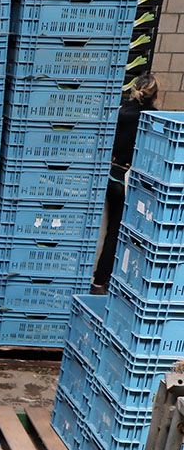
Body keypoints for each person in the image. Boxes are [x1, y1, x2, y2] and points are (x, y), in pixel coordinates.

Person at [93, 73, 159, 293]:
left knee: (101, 227)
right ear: (154, 96)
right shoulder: (153, 119)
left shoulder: (120, 111)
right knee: (116, 230)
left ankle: (91, 274)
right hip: (127, 179)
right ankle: (101, 280)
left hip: (108, 173)